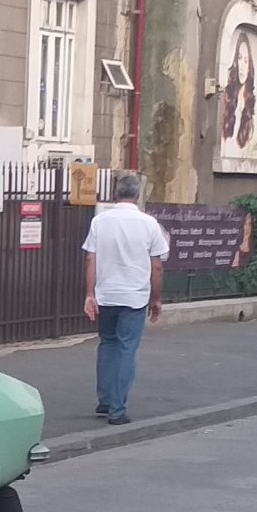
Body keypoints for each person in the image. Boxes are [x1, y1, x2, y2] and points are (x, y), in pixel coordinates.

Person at [82, 173, 169, 425]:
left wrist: (90, 293)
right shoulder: (149, 224)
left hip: (106, 294)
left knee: (107, 344)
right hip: (134, 296)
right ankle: (117, 410)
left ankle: (105, 400)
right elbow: (157, 267)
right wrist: (156, 298)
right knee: (126, 349)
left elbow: (90, 258)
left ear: (114, 194)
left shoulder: (100, 222)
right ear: (138, 196)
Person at [221, 33, 256, 151]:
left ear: (250, 66)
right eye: (240, 58)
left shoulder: (249, 103)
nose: (242, 66)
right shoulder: (227, 96)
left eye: (246, 61)